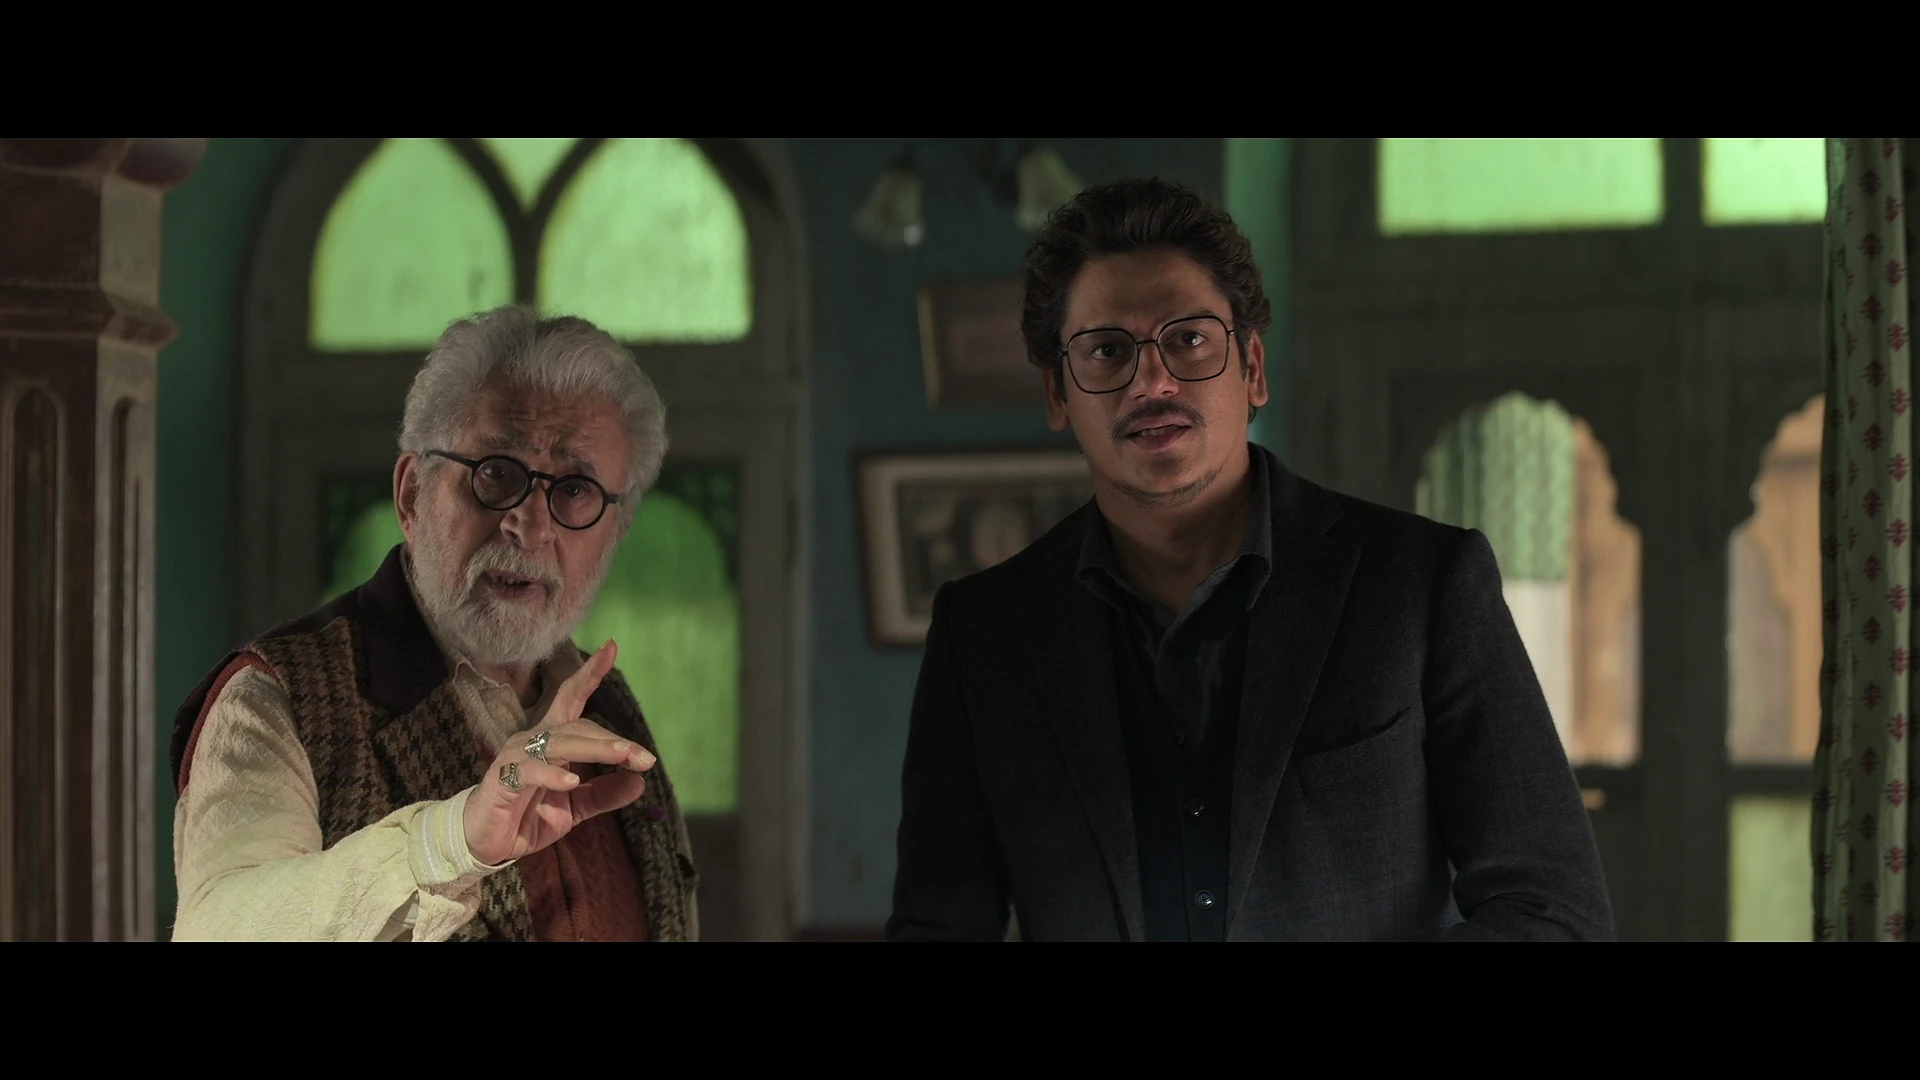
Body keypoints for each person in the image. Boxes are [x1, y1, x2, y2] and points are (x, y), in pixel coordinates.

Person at [887, 177, 1615, 941]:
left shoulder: (1420, 583)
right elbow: (936, 926)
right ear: (1057, 394)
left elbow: (1553, 911)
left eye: (1189, 339)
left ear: (1253, 368)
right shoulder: (985, 633)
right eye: (1106, 351)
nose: (1152, 381)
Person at [169, 306, 699, 941]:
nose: (531, 526)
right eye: (496, 473)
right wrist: (451, 841)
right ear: (411, 494)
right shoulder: (276, 698)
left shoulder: (608, 703)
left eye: (575, 489)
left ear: (616, 530)